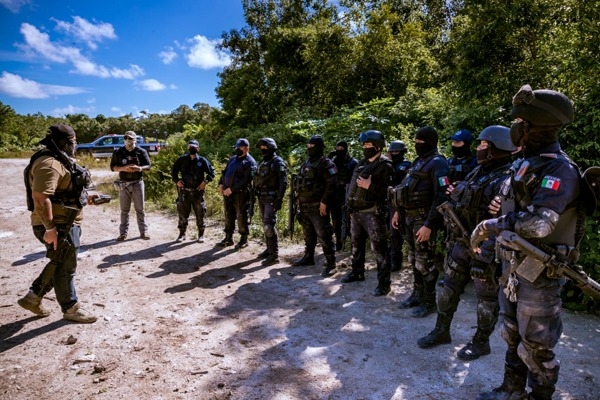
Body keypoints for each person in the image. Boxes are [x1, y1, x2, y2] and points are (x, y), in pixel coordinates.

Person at [471, 85, 579, 400]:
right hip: (514, 267)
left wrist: (493, 223)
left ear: (532, 126)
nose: (514, 127)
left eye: (519, 121)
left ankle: (540, 395)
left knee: (537, 344)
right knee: (511, 332)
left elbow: (539, 224)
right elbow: (508, 204)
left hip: (539, 271)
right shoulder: (525, 163)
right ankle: (512, 389)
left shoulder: (558, 168)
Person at [416, 126, 516, 361]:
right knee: (447, 288)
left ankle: (481, 342)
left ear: (495, 150)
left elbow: (500, 222)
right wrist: (456, 191)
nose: (479, 149)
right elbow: (459, 195)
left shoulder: (506, 179)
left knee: (486, 298)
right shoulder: (477, 171)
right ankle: (442, 331)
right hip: (461, 241)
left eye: (483, 146)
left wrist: (486, 256)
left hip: (484, 247)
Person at [18, 124, 97, 323]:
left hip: (66, 222)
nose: (76, 145)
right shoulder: (49, 163)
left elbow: (62, 192)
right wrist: (50, 229)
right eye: (74, 142)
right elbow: (40, 197)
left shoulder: (60, 160)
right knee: (66, 267)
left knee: (60, 261)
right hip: (58, 224)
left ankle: (33, 297)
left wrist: (85, 198)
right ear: (65, 143)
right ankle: (70, 308)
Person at [390, 126, 450, 317]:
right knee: (414, 259)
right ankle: (417, 294)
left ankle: (429, 301)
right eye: (415, 142)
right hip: (408, 216)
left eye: (420, 142)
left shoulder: (438, 163)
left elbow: (442, 195)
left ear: (430, 142)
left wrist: (429, 225)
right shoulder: (418, 162)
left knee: (426, 261)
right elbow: (405, 188)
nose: (416, 145)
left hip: (424, 219)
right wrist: (398, 212)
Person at [341, 130, 395, 296]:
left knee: (379, 249)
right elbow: (352, 187)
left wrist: (369, 186)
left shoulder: (385, 166)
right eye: (363, 145)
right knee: (356, 245)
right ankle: (357, 272)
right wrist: (349, 208)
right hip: (357, 212)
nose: (364, 147)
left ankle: (384, 284)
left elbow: (389, 192)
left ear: (377, 147)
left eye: (368, 145)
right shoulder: (362, 163)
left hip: (373, 213)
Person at [292, 135, 337, 277]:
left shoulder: (326, 163)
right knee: (308, 233)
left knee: (324, 234)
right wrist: (298, 200)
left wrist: (324, 202)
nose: (309, 149)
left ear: (319, 147)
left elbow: (331, 184)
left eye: (312, 146)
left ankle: (331, 263)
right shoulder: (306, 163)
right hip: (304, 204)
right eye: (308, 146)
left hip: (318, 205)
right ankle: (308, 257)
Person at [171, 139, 215, 243]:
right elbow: (173, 172)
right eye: (191, 147)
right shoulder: (181, 160)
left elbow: (211, 173)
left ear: (198, 149)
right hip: (184, 192)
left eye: (194, 147)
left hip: (197, 192)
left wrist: (205, 182)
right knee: (182, 214)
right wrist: (177, 180)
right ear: (188, 147)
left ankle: (201, 235)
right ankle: (182, 234)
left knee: (200, 213)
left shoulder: (202, 161)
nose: (192, 149)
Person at [110, 130, 151, 241]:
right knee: (124, 210)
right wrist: (124, 168)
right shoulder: (118, 152)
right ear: (124, 139)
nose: (129, 140)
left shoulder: (141, 151)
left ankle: (144, 232)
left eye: (131, 138)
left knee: (140, 209)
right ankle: (123, 233)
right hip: (124, 184)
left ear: (135, 140)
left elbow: (148, 165)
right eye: (127, 138)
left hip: (137, 182)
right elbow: (112, 167)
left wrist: (139, 168)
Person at [217, 138, 257, 249]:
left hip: (241, 194)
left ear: (246, 148)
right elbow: (225, 172)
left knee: (241, 216)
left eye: (240, 147)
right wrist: (220, 184)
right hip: (227, 192)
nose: (237, 149)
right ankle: (228, 238)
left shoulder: (250, 162)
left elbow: (247, 180)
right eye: (236, 147)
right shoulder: (232, 159)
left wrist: (232, 189)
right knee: (228, 215)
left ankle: (243, 239)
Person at [253, 138, 288, 265]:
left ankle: (274, 255)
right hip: (261, 197)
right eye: (261, 147)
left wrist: (279, 199)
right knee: (265, 223)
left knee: (269, 225)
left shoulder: (277, 162)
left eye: (265, 147)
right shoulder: (263, 163)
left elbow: (283, 182)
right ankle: (269, 249)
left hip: (272, 198)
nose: (262, 149)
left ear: (271, 147)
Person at [329, 140, 358, 251]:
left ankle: (352, 244)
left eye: (342, 149)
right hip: (335, 195)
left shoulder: (353, 162)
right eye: (338, 148)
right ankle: (339, 243)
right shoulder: (333, 161)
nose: (339, 151)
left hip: (348, 195)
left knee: (349, 221)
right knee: (336, 221)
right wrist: (329, 158)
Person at [387, 140, 411, 272]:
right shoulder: (386, 164)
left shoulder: (406, 165)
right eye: (392, 152)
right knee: (388, 232)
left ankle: (396, 260)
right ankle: (389, 257)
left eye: (396, 152)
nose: (393, 154)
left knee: (395, 232)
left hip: (400, 202)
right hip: (386, 201)